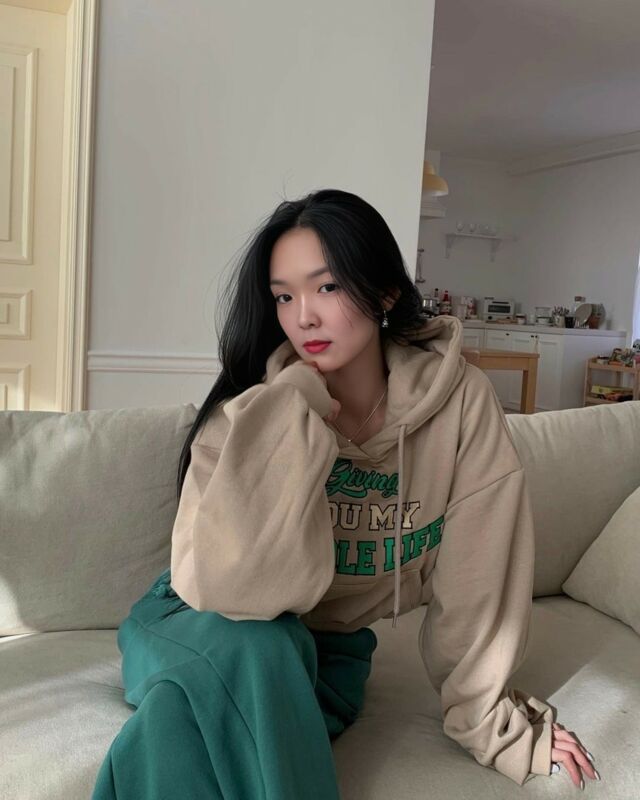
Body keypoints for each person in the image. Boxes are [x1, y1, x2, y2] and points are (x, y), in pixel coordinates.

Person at [92, 188, 599, 798]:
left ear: (384, 292)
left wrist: (490, 721)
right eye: (284, 296)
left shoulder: (459, 403)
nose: (302, 316)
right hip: (192, 619)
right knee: (258, 646)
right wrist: (289, 411)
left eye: (326, 287)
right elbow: (227, 589)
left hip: (326, 656)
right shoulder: (249, 413)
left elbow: (481, 572)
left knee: (180, 725)